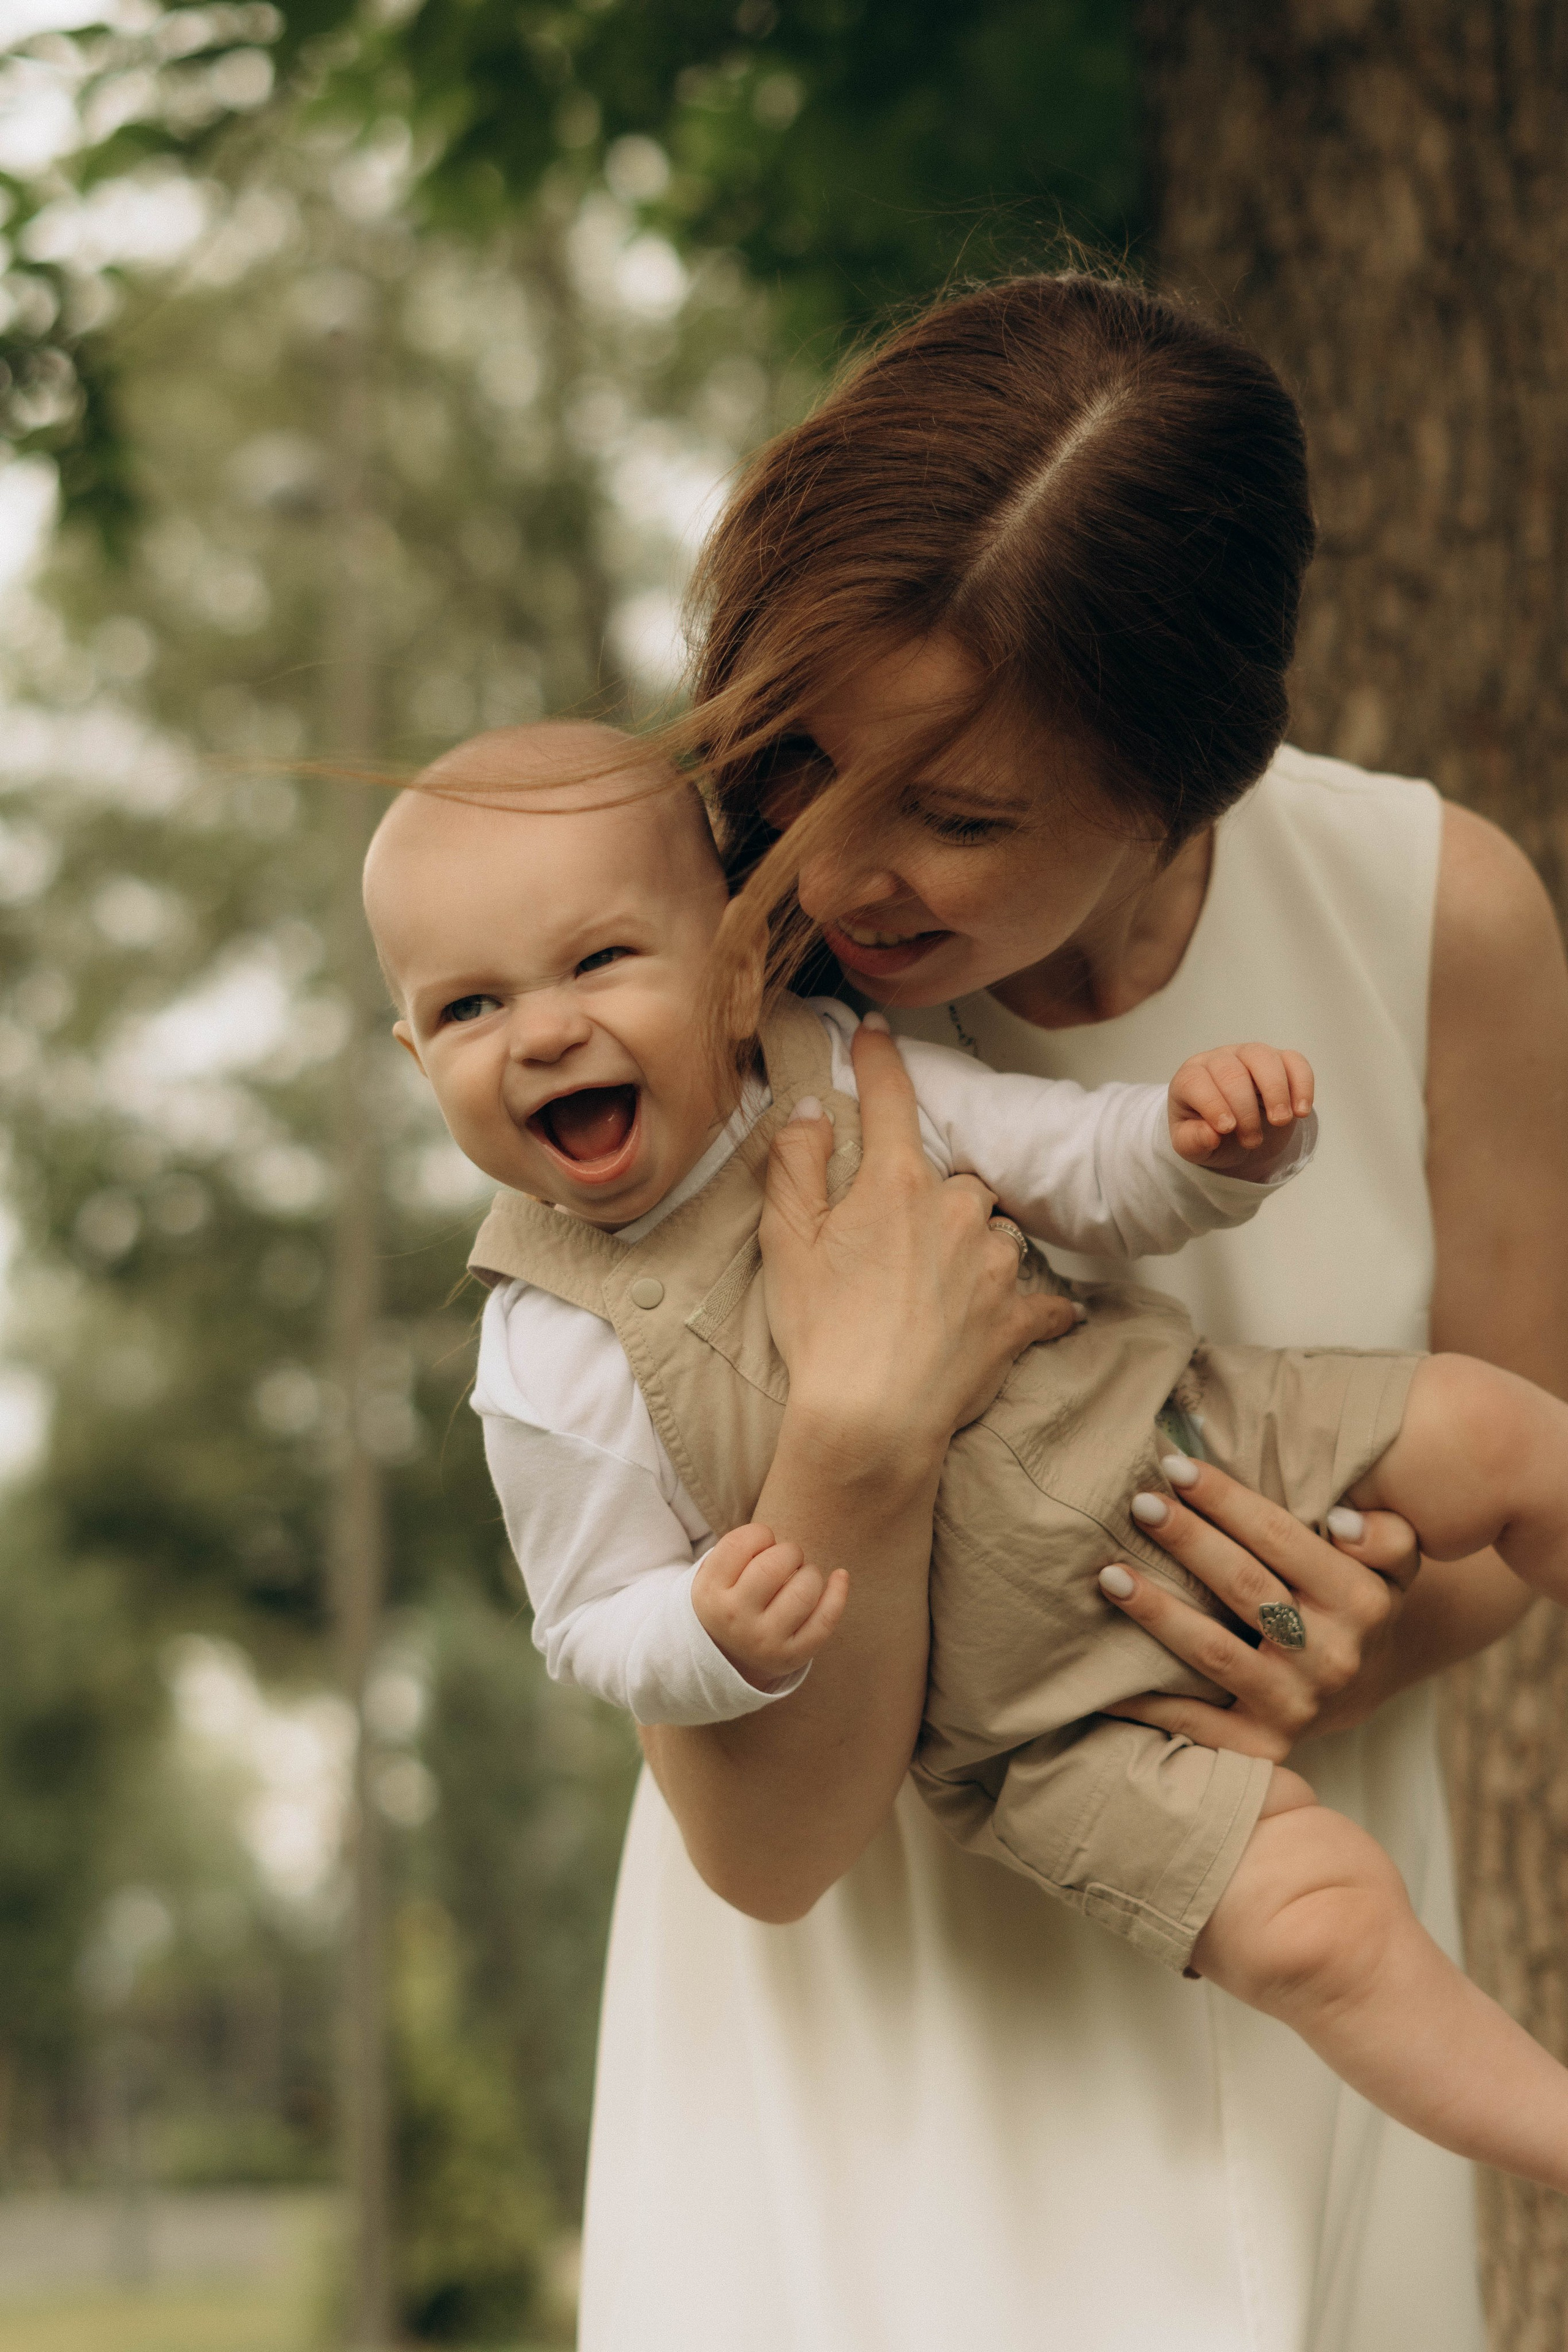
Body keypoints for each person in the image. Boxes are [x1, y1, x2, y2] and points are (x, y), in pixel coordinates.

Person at [545, 273, 1568, 2352]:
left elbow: (1506, 1526)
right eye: (801, 758)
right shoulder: (679, 1000)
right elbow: (758, 1841)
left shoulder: (1433, 918)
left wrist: (1347, 1634)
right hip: (864, 2067)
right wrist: (853, 1444)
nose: (837, 865)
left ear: (1192, 773)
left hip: (1297, 1969)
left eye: (964, 814)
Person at [367, 721, 1568, 2198]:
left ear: (736, 958)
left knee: (1500, 1434)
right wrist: (703, 1630)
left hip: (1180, 1442)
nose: (541, 1031)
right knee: (1316, 1929)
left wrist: (1198, 1150)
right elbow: (587, 1616)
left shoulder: (848, 1069)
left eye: (600, 963)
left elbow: (1068, 1153)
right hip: (1028, 1730)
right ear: (415, 1052)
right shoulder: (552, 1352)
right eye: (470, 1006)